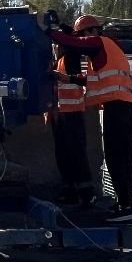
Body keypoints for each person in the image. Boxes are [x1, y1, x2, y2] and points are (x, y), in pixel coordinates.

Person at [43, 13, 132, 222]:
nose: (82, 39)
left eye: (83, 35)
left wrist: (47, 31)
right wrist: (68, 78)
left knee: (116, 156)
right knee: (120, 156)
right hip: (121, 106)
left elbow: (73, 43)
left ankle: (126, 207)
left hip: (117, 107)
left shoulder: (99, 42)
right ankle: (124, 203)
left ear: (92, 31)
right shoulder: (109, 49)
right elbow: (91, 79)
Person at [47, 37, 94, 206]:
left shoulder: (70, 57)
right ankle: (71, 191)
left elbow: (74, 78)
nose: (55, 47)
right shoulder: (59, 61)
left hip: (72, 113)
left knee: (76, 154)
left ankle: (86, 193)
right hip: (61, 114)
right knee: (64, 154)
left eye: (57, 44)